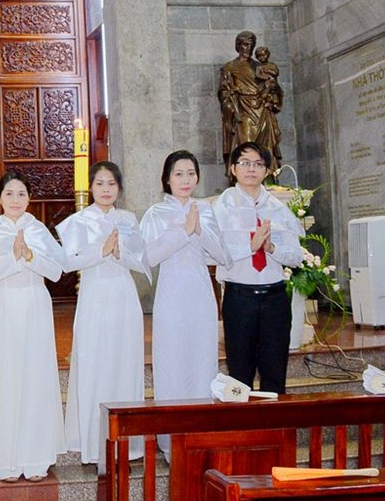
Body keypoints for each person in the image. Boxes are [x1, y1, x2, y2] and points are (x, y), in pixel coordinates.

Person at [56, 161, 150, 466]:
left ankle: (127, 443)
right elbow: (68, 262)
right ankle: (94, 444)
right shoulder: (79, 221)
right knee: (94, 362)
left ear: (119, 188)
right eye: (100, 183)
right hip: (95, 298)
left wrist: (121, 253)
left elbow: (142, 261)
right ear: (91, 187)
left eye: (111, 184)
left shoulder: (128, 219)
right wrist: (101, 251)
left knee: (124, 363)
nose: (106, 189)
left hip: (123, 297)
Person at [0, 172, 66, 482]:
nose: (15, 200)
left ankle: (36, 456)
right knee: (6, 376)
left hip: (34, 305)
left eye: (21, 194)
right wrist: (13, 258)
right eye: (9, 193)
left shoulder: (38, 229)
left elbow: (56, 270)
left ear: (29, 198)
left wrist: (29, 255)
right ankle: (7, 459)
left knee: (35, 375)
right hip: (3, 307)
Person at [139, 151, 228, 460]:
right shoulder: (156, 213)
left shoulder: (206, 210)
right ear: (167, 179)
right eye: (178, 174)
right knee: (172, 363)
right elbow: (147, 258)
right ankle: (171, 441)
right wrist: (183, 233)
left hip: (201, 295)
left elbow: (223, 256)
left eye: (191, 173)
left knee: (203, 362)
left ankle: (202, 435)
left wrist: (199, 229)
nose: (186, 180)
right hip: (172, 296)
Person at [214, 142, 303, 394]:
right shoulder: (221, 208)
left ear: (266, 170)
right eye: (245, 163)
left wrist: (272, 248)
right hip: (240, 298)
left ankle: (275, 420)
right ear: (233, 169)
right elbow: (214, 253)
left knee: (275, 373)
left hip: (275, 299)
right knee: (240, 374)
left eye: (258, 164)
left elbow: (296, 257)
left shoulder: (278, 208)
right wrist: (250, 246)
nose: (251, 169)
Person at [218, 31, 284, 173]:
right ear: (238, 45)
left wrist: (273, 91)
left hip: (263, 110)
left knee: (266, 149)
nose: (248, 48)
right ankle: (244, 178)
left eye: (251, 45)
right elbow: (224, 92)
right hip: (243, 110)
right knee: (246, 147)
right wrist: (231, 109)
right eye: (245, 44)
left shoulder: (260, 66)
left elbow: (274, 87)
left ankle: (268, 179)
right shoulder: (229, 67)